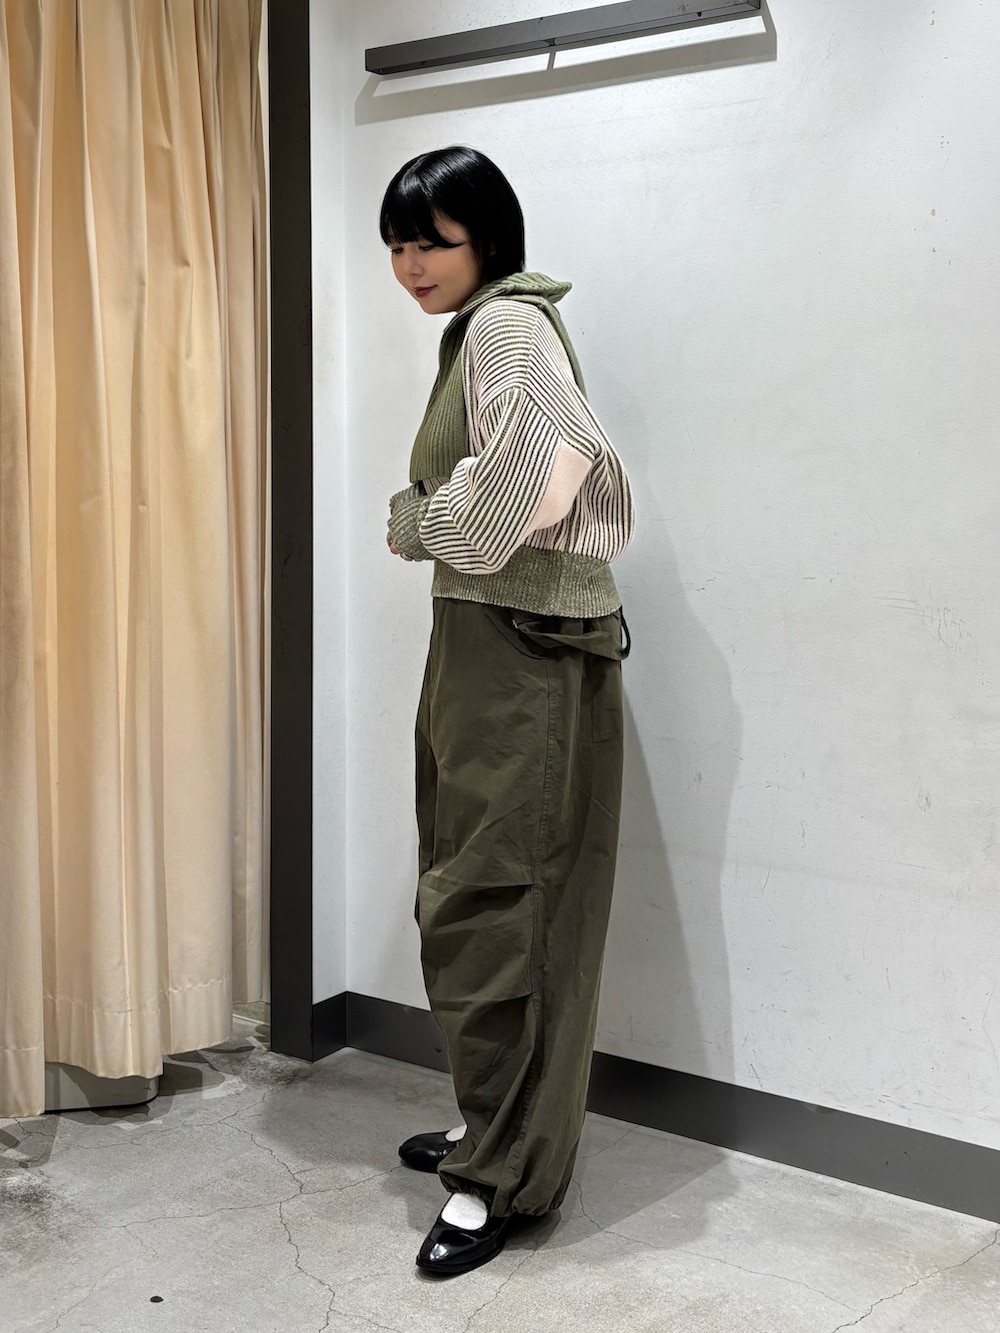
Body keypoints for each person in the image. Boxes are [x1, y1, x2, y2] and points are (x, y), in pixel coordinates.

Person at [381, 145, 635, 1277]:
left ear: (486, 237)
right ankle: (494, 1132)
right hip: (491, 642)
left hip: (521, 649)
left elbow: (545, 468)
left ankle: (497, 1179)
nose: (409, 264)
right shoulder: (484, 328)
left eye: (429, 241)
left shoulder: (507, 325)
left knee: (501, 907)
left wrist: (419, 518)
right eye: (396, 244)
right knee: (473, 890)